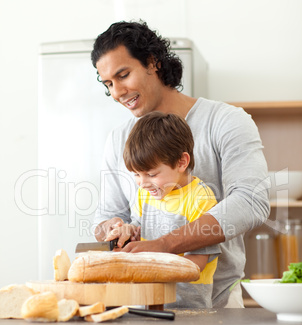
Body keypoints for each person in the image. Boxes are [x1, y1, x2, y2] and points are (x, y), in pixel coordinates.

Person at [91, 20, 270, 308]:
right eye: (108, 84)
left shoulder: (225, 121)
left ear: (152, 62)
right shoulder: (118, 139)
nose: (117, 92)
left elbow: (251, 201)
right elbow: (107, 215)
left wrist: (164, 246)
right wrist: (113, 228)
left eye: (123, 75)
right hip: (144, 304)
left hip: (216, 303)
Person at [105, 111, 221, 308]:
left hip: (187, 308)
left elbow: (197, 264)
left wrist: (148, 262)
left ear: (181, 162)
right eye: (136, 175)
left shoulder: (201, 199)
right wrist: (128, 231)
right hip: (147, 304)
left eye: (151, 174)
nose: (142, 183)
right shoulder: (146, 193)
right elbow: (140, 227)